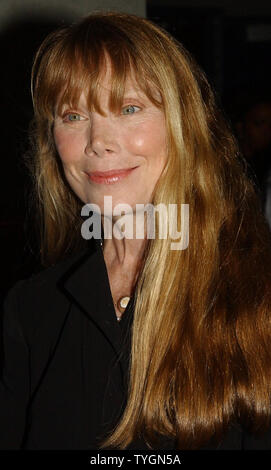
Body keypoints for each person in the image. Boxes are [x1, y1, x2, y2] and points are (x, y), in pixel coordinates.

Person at [1, 12, 271, 451]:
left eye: (129, 108)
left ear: (182, 124)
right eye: (72, 115)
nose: (98, 140)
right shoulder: (30, 309)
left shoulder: (256, 295)